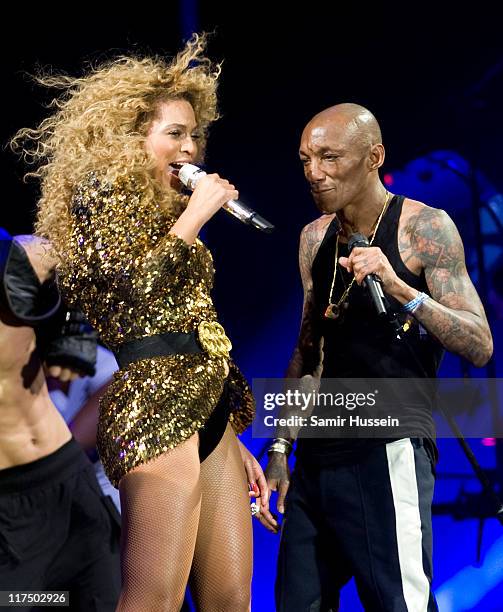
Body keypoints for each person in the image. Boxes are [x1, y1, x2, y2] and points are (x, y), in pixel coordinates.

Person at [12, 34, 274, 611]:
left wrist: (232, 432)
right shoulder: (98, 202)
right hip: (149, 403)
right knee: (153, 595)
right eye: (174, 134)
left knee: (231, 598)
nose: (190, 147)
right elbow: (134, 293)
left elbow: (197, 326)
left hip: (207, 405)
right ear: (134, 140)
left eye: (195, 133)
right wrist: (198, 216)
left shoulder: (174, 212)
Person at [265, 103, 493, 611]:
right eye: (305, 160)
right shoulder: (312, 238)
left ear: (375, 156)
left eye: (329, 157)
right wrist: (280, 448)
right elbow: (308, 352)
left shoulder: (424, 229)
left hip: (389, 443)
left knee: (399, 604)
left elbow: (479, 343)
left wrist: (397, 286)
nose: (314, 173)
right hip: (319, 455)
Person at [0, 229, 121, 610]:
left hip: (67, 483)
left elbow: (81, 252)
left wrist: (73, 323)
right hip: (8, 517)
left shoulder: (15, 259)